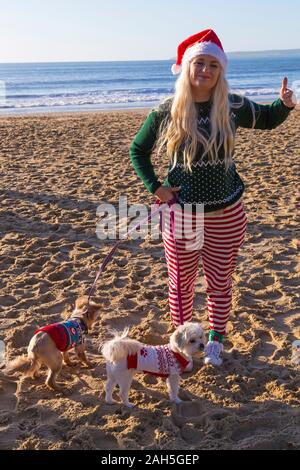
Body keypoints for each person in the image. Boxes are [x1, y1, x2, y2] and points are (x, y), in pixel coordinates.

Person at [129, 29, 296, 367]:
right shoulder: (167, 111)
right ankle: (182, 343)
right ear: (187, 66)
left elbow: (265, 119)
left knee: (220, 282)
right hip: (182, 215)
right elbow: (138, 150)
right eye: (199, 62)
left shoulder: (231, 105)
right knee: (181, 285)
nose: (205, 70)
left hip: (227, 213)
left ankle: (215, 341)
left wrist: (285, 104)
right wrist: (156, 187)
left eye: (213, 65)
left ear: (221, 71)